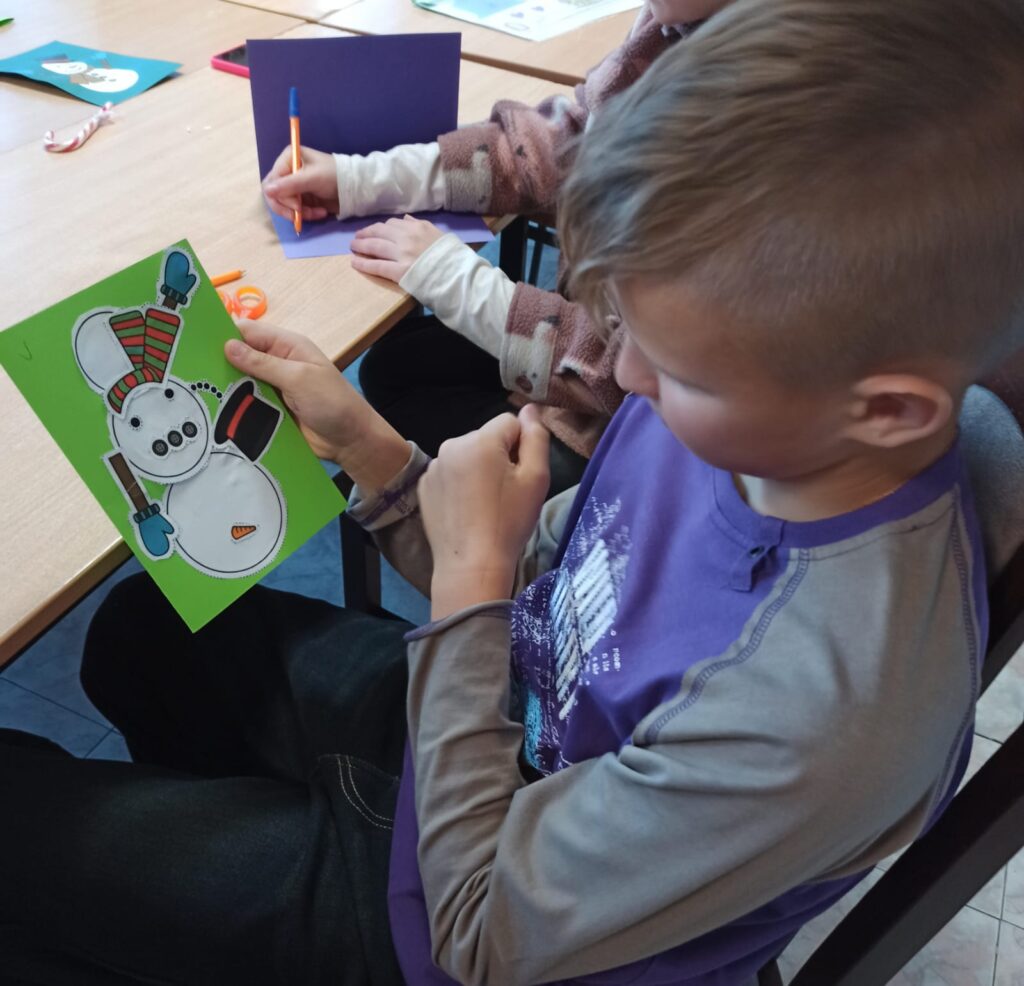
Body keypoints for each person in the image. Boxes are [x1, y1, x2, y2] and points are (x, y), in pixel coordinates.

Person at [2, 0, 1023, 983]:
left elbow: (473, 934)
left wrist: (469, 585)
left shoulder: (827, 716)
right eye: (628, 330)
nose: (626, 378)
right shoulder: (755, 417)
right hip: (493, 729)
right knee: (138, 631)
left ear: (888, 409)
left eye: (682, 368)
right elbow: (552, 599)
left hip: (464, 922)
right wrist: (376, 454)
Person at [262, 0, 733, 495]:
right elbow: (565, 142)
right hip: (599, 354)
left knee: (403, 415)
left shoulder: (752, 117)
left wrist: (458, 284)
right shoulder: (673, 23)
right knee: (396, 367)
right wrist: (362, 179)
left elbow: (631, 372)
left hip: (634, 439)